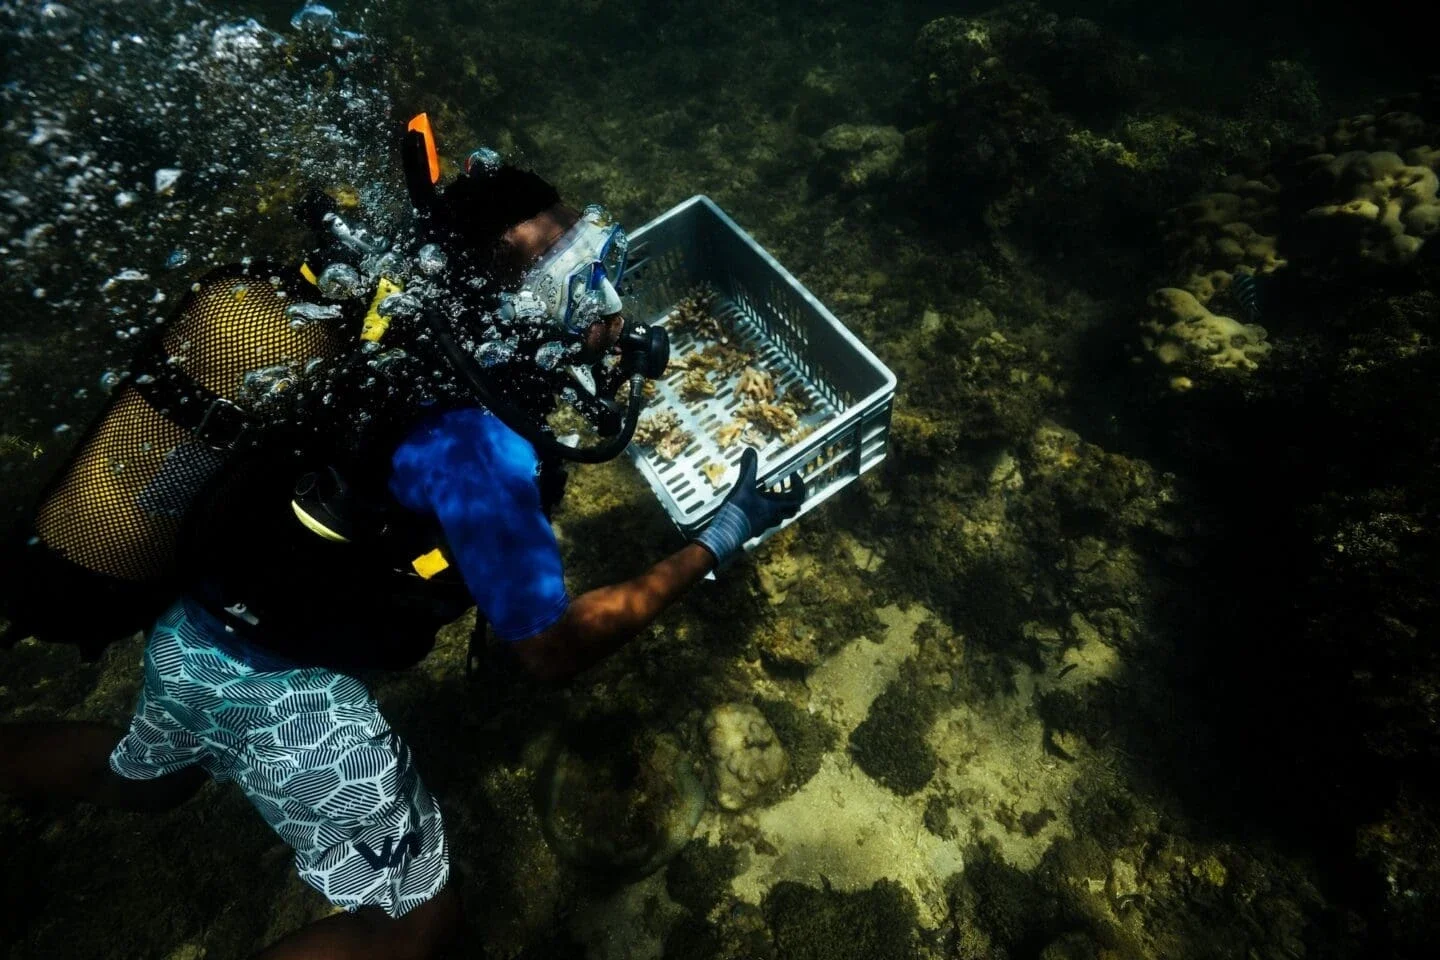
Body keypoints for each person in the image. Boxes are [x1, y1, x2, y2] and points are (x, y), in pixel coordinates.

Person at [0, 121, 803, 958]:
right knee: (419, 929)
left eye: (603, 256)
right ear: (519, 301)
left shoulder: (396, 330)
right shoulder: (479, 449)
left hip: (192, 638)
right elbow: (551, 652)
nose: (609, 299)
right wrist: (719, 537)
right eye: (581, 276)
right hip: (288, 702)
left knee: (146, 781)